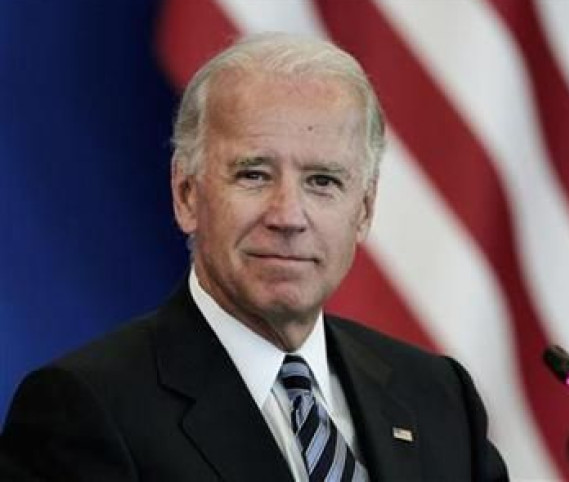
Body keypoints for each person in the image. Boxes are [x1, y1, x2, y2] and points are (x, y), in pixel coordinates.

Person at [1, 33, 508, 481]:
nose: (288, 215)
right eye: (253, 175)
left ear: (364, 211)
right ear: (186, 194)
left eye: (323, 182)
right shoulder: (87, 408)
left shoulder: (438, 398)